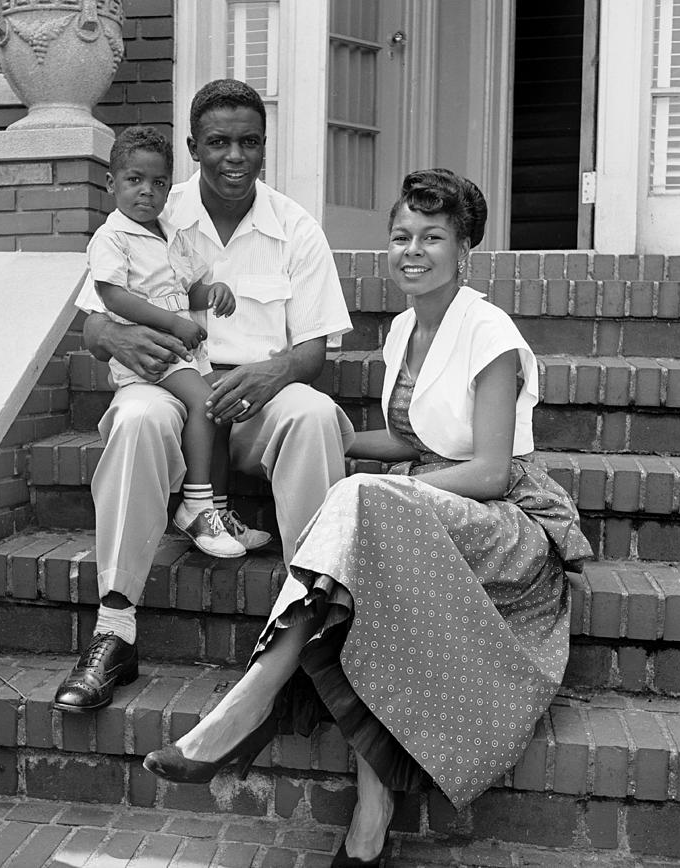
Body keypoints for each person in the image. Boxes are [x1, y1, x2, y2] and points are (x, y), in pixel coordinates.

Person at [143, 169, 593, 867]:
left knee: (360, 501)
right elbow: (412, 440)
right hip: (432, 500)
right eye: (401, 236)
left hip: (503, 521)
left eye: (432, 237)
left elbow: (493, 470)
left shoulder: (489, 331)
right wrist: (337, 441)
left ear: (465, 250)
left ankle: (251, 699)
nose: (412, 250)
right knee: (365, 563)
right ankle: (371, 815)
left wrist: (391, 491)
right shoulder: (406, 328)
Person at [52, 79, 355, 714]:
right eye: (218, 142)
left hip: (256, 406)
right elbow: (93, 319)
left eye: (249, 142)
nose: (234, 156)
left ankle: (310, 624)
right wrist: (116, 338)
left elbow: (315, 352)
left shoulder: (295, 228)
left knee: (315, 411)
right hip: (174, 387)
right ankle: (115, 629)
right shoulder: (150, 205)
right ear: (194, 147)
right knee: (135, 418)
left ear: (265, 148)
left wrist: (271, 375)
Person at [86, 125, 258, 560]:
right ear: (111, 184)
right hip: (153, 354)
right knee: (207, 406)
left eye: (159, 182)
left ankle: (218, 512)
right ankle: (195, 506)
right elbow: (112, 296)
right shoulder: (112, 237)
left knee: (217, 414)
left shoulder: (172, 233)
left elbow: (187, 289)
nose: (147, 191)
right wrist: (173, 324)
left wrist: (213, 293)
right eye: (134, 180)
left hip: (184, 354)